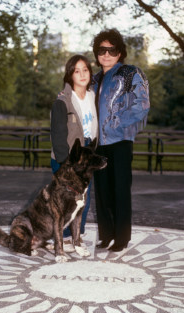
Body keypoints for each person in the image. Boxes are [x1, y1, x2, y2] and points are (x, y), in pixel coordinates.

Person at [92, 28, 150, 252]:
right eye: (102, 50)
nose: (106, 54)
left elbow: (142, 105)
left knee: (120, 191)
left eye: (112, 50)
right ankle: (106, 235)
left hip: (121, 142)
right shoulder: (95, 78)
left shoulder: (130, 73)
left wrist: (117, 124)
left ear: (120, 52)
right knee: (103, 191)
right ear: (97, 53)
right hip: (99, 145)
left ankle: (122, 238)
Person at [50, 54, 98, 252]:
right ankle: (66, 237)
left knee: (83, 199)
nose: (82, 74)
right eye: (76, 71)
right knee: (65, 200)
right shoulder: (63, 100)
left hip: (86, 154)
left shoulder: (94, 96)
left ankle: (78, 235)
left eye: (85, 70)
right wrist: (64, 163)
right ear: (70, 75)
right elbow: (58, 133)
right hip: (68, 156)